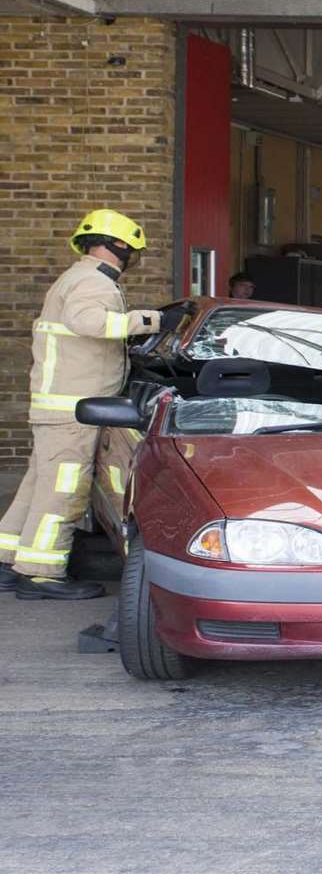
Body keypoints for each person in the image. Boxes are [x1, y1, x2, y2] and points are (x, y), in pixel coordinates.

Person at [0, 210, 162, 600]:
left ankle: (8, 560)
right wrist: (150, 320)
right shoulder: (93, 282)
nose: (133, 257)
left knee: (39, 486)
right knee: (64, 490)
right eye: (132, 250)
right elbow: (91, 323)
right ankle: (42, 572)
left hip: (58, 406)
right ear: (120, 246)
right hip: (75, 408)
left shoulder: (76, 276)